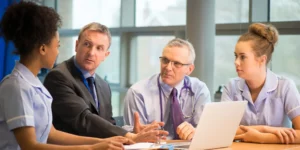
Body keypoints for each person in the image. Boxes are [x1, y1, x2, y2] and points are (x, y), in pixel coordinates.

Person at [0, 1, 132, 150]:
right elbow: (30, 146)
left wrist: (101, 142)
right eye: (57, 46)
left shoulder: (33, 83)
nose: (58, 52)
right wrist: (92, 148)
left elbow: (52, 134)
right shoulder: (17, 86)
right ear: (43, 49)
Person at [43, 22, 168, 143]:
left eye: (99, 48)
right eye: (87, 44)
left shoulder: (103, 86)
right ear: (76, 45)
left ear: (105, 55)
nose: (91, 52)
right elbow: (83, 119)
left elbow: (108, 125)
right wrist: (128, 136)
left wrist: (134, 133)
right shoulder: (58, 76)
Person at [221, 23, 300, 144]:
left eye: (243, 57)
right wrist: (265, 129)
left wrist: (261, 137)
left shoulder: (285, 86)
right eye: (236, 56)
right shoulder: (231, 87)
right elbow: (222, 131)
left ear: (262, 60)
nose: (236, 62)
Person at [123, 38, 211, 140]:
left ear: (189, 69)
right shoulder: (137, 93)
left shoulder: (199, 90)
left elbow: (205, 130)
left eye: (177, 63)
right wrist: (136, 134)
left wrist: (195, 132)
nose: (168, 68)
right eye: (165, 60)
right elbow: (130, 137)